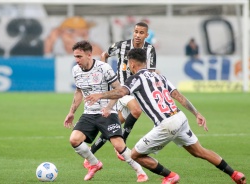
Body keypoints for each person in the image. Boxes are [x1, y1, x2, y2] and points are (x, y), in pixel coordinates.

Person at [85, 48, 246, 184]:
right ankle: (235, 174)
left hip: (166, 124)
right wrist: (196, 113)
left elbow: (121, 92)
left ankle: (170, 176)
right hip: (180, 117)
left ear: (132, 64)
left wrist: (100, 95)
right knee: (199, 151)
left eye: (129, 63)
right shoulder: (160, 77)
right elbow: (179, 96)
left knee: (135, 155)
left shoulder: (136, 78)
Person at [63, 41, 148, 182]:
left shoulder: (104, 68)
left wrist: (109, 107)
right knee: (74, 139)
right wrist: (71, 112)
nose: (76, 60)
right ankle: (94, 164)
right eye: (75, 57)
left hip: (107, 113)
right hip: (89, 113)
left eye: (79, 56)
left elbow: (119, 90)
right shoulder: (76, 70)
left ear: (89, 55)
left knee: (119, 145)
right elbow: (79, 91)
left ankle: (140, 172)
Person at [88, 22, 157, 160]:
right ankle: (122, 146)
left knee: (113, 127)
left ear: (146, 35)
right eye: (136, 31)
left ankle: (90, 153)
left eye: (141, 33)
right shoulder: (121, 46)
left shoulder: (150, 50)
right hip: (122, 89)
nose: (137, 35)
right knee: (136, 111)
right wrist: (105, 74)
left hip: (136, 92)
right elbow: (104, 54)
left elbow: (151, 72)